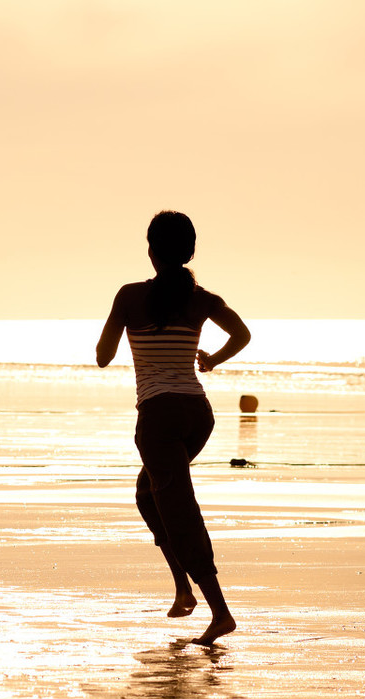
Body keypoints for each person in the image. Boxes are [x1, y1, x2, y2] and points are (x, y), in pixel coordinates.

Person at [96, 211, 251, 646]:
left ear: (151, 251)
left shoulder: (129, 296)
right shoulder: (201, 298)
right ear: (189, 252)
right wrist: (213, 359)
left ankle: (220, 612)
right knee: (150, 496)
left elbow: (103, 356)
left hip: (159, 417)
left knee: (178, 507)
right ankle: (184, 589)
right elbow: (242, 333)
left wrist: (118, 327)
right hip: (196, 414)